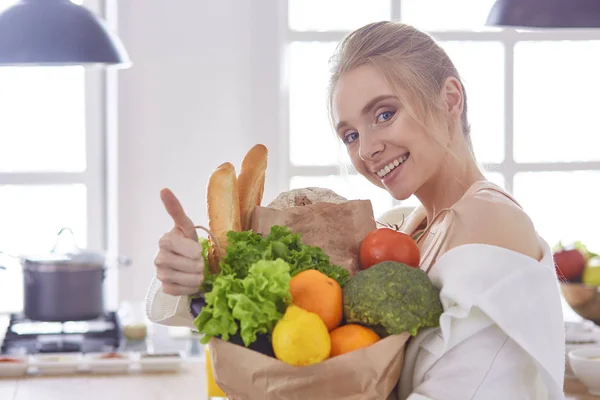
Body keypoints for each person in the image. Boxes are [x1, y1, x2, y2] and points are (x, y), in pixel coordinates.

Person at [145, 21, 566, 400]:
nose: (366, 149)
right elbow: (300, 316)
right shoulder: (403, 228)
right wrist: (200, 274)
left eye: (385, 113)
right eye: (350, 135)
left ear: (450, 99)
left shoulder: (489, 220)